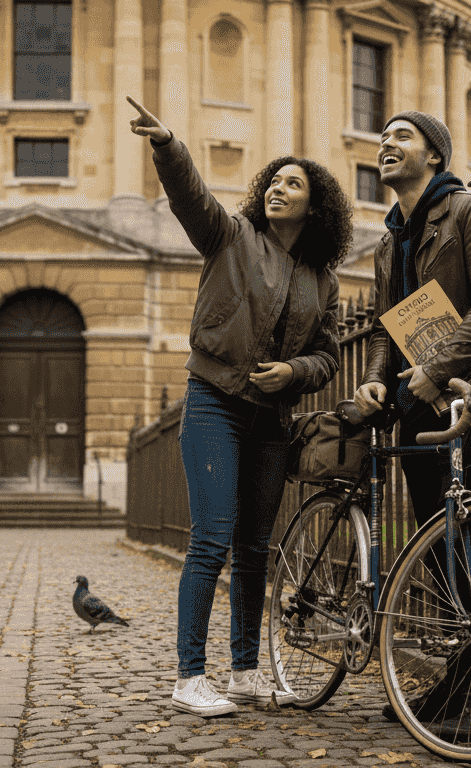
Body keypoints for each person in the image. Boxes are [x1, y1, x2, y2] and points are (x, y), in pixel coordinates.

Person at [127, 95, 353, 717]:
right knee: (213, 539)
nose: (280, 190)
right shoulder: (231, 236)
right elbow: (191, 198)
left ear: (316, 204)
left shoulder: (323, 280)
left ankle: (248, 670)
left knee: (256, 549)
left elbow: (329, 356)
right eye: (275, 181)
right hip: (215, 403)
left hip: (272, 420)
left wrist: (295, 372)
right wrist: (169, 145)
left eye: (294, 184)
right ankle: (189, 675)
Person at [352, 110, 471, 733]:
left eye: (401, 137)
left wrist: (438, 365)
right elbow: (385, 325)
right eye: (383, 138)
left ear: (435, 154)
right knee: (438, 544)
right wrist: (377, 375)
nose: (386, 145)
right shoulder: (388, 238)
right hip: (415, 401)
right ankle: (465, 681)